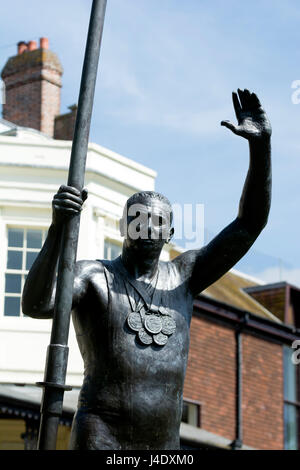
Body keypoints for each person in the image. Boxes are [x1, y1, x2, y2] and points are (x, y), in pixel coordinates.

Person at [22, 89, 272, 450]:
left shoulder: (184, 276)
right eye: (137, 219)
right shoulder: (94, 277)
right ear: (124, 226)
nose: (146, 226)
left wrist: (261, 148)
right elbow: (37, 304)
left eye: (156, 221)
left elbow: (249, 224)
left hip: (163, 442)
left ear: (170, 232)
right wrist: (58, 228)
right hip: (101, 435)